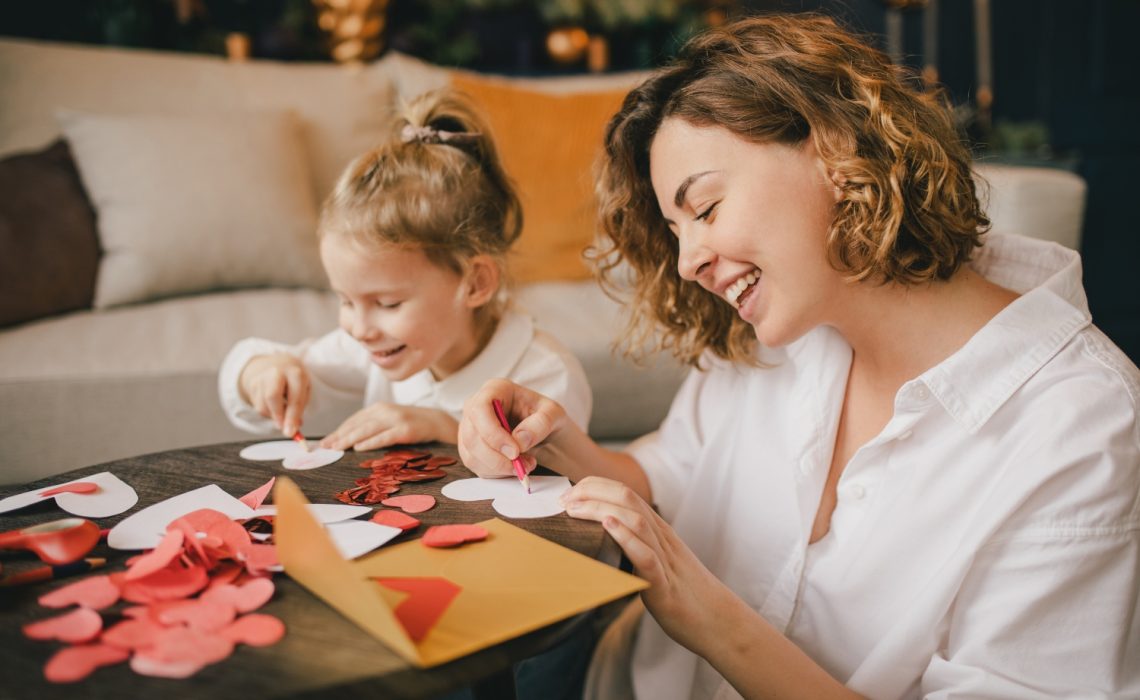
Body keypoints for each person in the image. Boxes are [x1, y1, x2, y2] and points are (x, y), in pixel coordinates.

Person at [457, 13, 1140, 699]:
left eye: (706, 208)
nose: (688, 261)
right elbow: (671, 471)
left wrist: (705, 611)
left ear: (835, 148)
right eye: (673, 230)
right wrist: (547, 440)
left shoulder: (1081, 432)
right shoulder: (782, 325)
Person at [219, 88, 591, 450]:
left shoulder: (545, 376)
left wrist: (442, 428)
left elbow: (551, 485)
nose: (359, 329)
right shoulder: (377, 346)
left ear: (475, 282)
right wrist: (260, 374)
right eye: (346, 301)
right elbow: (244, 374)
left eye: (388, 304)